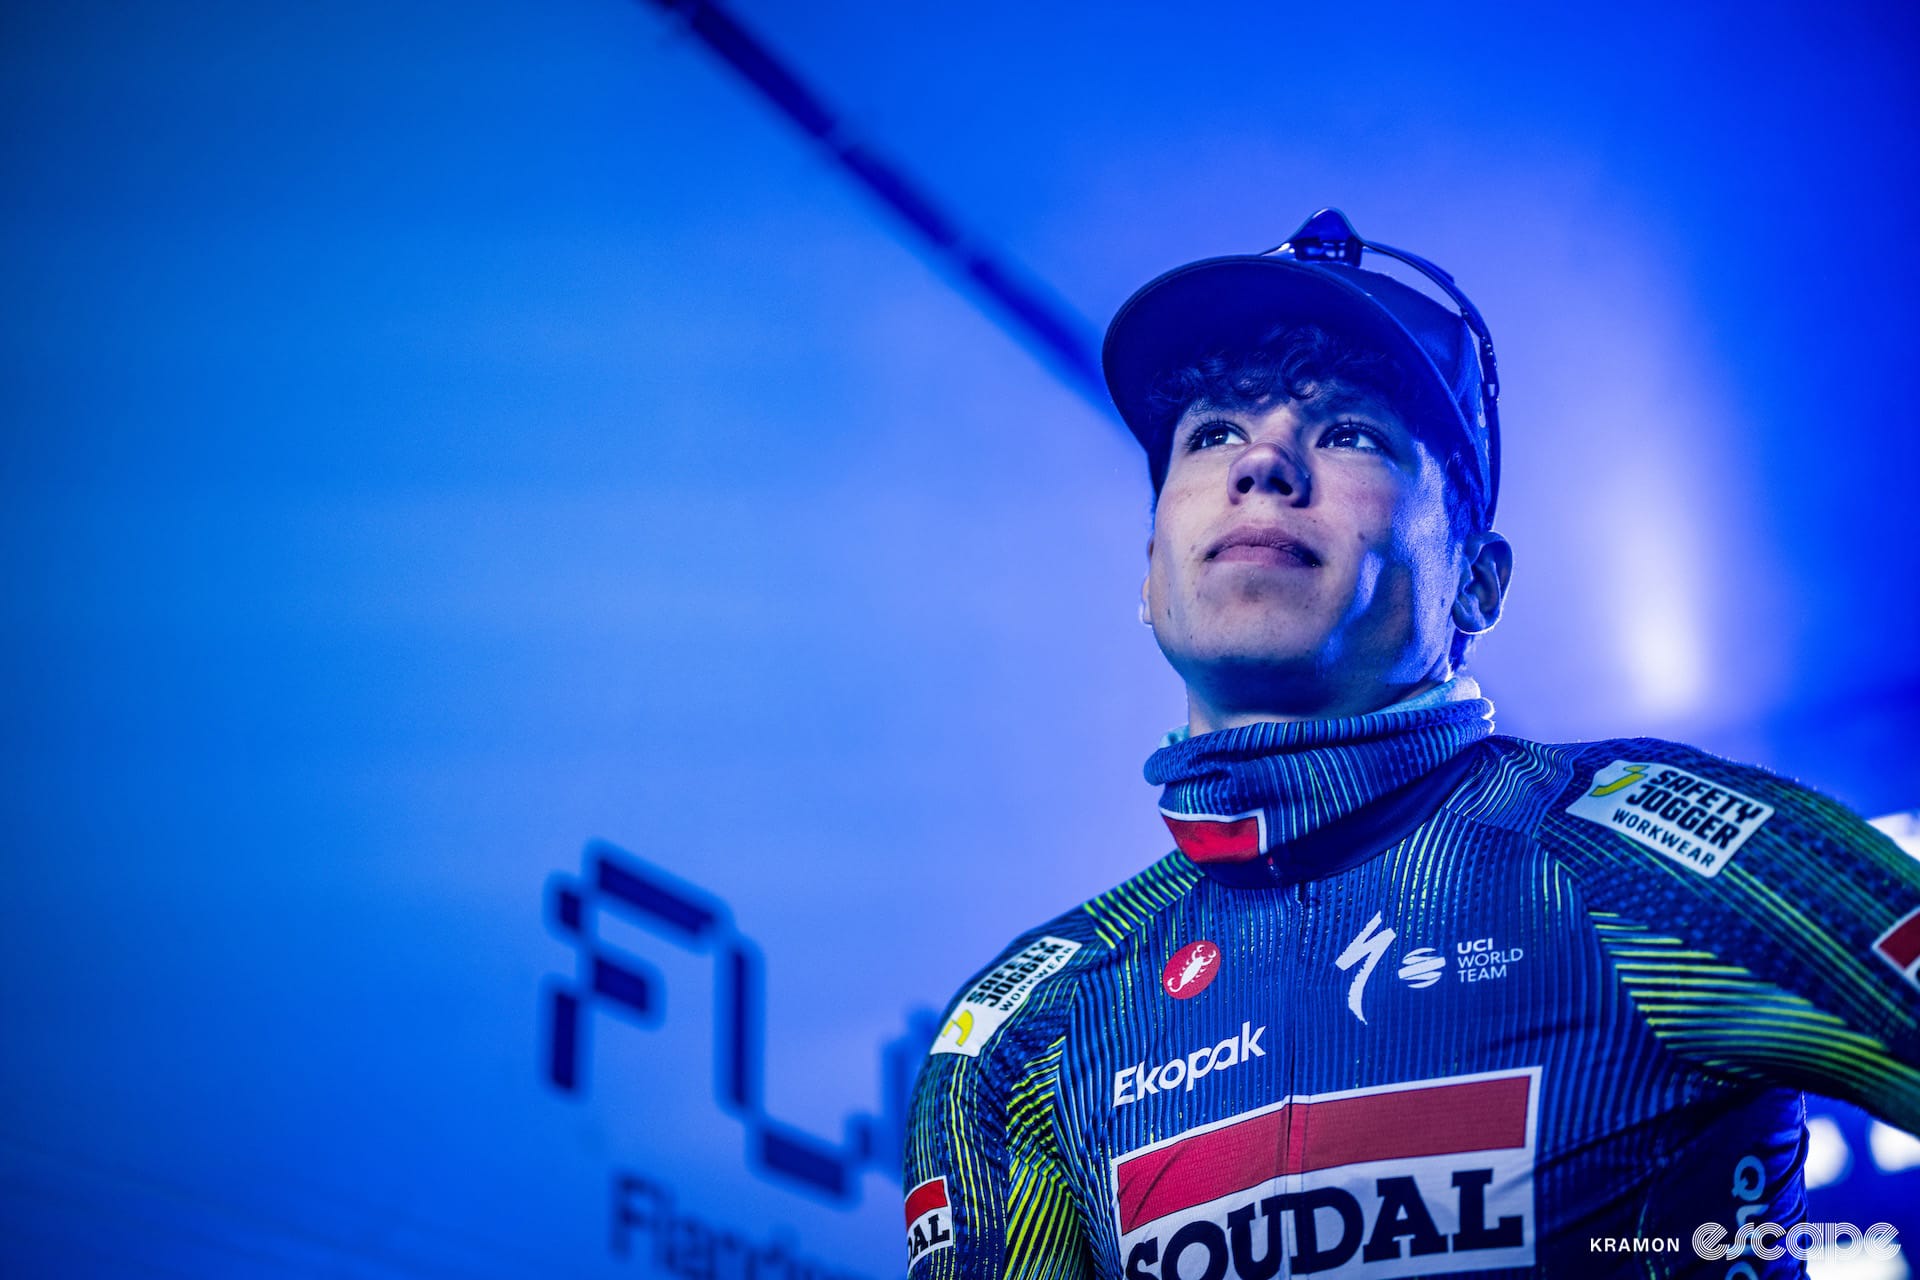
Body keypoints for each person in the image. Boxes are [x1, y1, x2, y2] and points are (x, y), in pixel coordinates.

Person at [900, 209, 1920, 1279]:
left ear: (1476, 581)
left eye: (1350, 432)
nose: (1263, 462)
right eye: (1211, 434)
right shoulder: (1026, 1033)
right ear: (1150, 573)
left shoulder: (1661, 862)